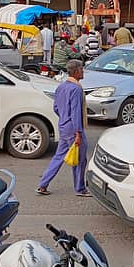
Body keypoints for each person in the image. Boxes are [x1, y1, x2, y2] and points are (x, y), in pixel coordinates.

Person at [36, 60, 90, 197]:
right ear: (76, 71)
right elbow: (76, 112)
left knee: (59, 157)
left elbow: (56, 107)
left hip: (63, 126)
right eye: (82, 69)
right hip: (73, 128)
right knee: (80, 159)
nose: (83, 72)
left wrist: (64, 118)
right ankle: (80, 188)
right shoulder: (76, 89)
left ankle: (43, 184)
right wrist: (78, 132)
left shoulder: (62, 87)